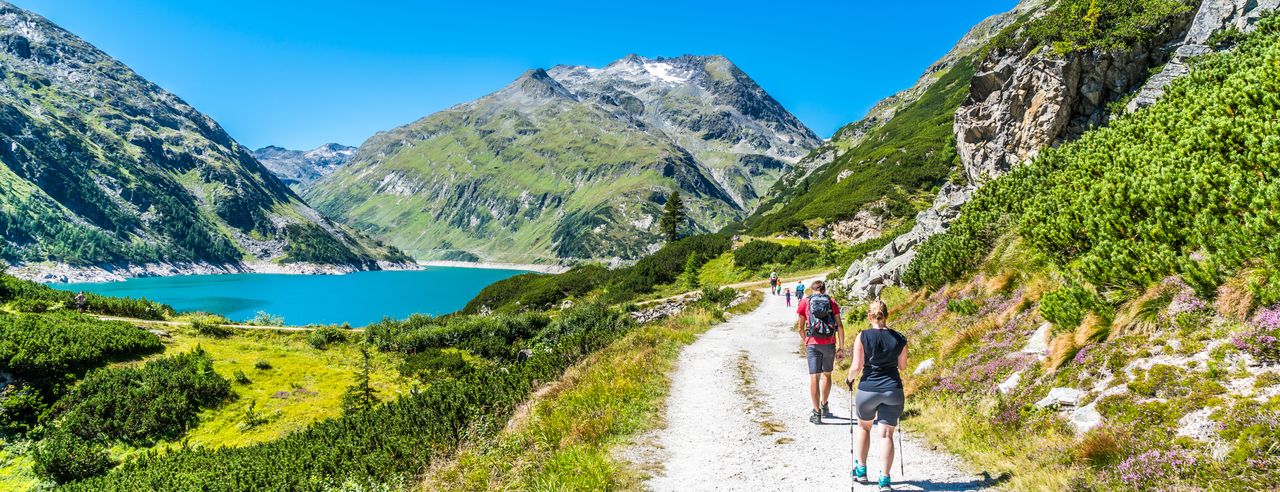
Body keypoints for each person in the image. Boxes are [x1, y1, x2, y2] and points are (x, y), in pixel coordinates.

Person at [845, 300, 908, 491]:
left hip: (868, 389)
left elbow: (856, 366)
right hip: (893, 389)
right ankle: (885, 480)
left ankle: (861, 470)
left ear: (869, 316)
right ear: (887, 315)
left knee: (864, 428)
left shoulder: (862, 336)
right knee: (887, 434)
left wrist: (849, 379)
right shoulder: (899, 338)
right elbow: (903, 366)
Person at [795, 280, 843, 424]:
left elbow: (800, 328)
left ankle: (816, 414)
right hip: (829, 343)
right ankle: (824, 404)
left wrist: (806, 341)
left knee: (814, 377)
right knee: (827, 374)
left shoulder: (805, 302)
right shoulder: (832, 301)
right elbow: (839, 326)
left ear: (812, 289)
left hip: (813, 343)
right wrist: (841, 347)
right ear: (824, 289)